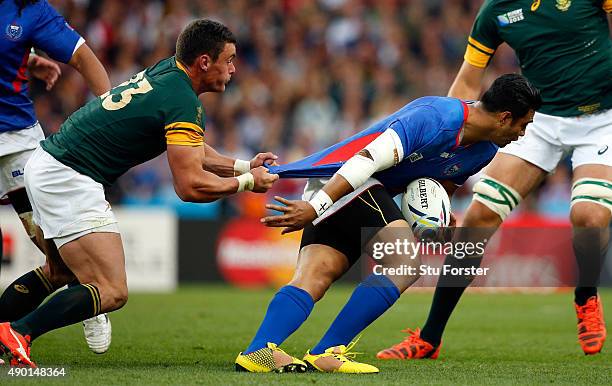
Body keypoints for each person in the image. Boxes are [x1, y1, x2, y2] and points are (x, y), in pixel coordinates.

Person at [0, 19, 279, 367]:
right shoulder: (182, 100)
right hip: (70, 176)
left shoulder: (170, 72)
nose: (235, 69)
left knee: (58, 273)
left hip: (48, 163)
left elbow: (191, 148)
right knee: (112, 290)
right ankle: (18, 333)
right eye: (230, 59)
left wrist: (242, 166)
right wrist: (249, 183)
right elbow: (190, 186)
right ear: (205, 62)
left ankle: (4, 333)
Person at [234, 74, 541, 373]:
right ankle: (328, 351)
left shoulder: (485, 149)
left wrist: (438, 220)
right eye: (524, 124)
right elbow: (365, 159)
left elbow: (439, 186)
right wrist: (315, 207)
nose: (523, 134)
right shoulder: (436, 118)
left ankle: (259, 351)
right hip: (345, 180)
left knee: (316, 275)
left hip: (341, 189)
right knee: (404, 264)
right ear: (504, 117)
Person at [376, 0, 611, 360]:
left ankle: (586, 296)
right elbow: (469, 78)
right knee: (477, 219)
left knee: (589, 218)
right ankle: (430, 337)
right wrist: (446, 148)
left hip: (601, 117)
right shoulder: (496, 10)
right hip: (539, 120)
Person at [0, 0, 113, 355]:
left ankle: (87, 293)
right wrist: (27, 58)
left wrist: (113, 108)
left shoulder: (32, 9)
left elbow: (83, 58)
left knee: (56, 254)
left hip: (16, 139)